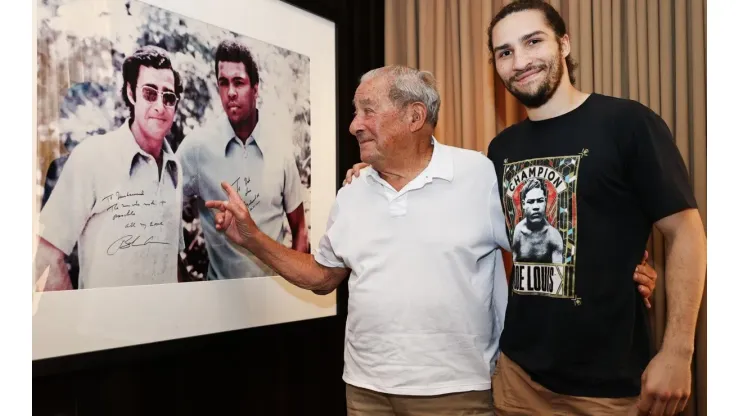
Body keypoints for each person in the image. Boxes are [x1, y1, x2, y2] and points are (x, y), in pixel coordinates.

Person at [205, 65, 657, 415]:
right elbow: (323, 278)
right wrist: (251, 237)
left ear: (414, 116)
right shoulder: (353, 191)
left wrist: (630, 267)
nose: (354, 125)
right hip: (365, 390)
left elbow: (553, 238)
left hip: (457, 391)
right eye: (354, 111)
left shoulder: (480, 173)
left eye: (367, 110)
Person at [485, 1, 707, 415]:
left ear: (564, 43)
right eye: (505, 52)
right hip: (517, 378)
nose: (520, 61)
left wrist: (678, 352)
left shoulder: (628, 123)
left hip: (609, 389)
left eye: (533, 42)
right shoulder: (501, 148)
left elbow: (686, 232)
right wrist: (374, 172)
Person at [34, 45, 185, 290]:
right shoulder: (93, 156)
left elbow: (170, 260)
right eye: (149, 93)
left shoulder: (174, 168)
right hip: (102, 329)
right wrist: (73, 324)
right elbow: (45, 254)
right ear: (131, 93)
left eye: (168, 97)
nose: (160, 105)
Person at [176, 39, 308, 281]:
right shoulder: (196, 148)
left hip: (274, 300)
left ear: (255, 88)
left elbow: (300, 229)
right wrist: (183, 285)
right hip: (219, 305)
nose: (231, 92)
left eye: (239, 82)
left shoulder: (280, 149)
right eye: (223, 83)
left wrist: (293, 289)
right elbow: (165, 215)